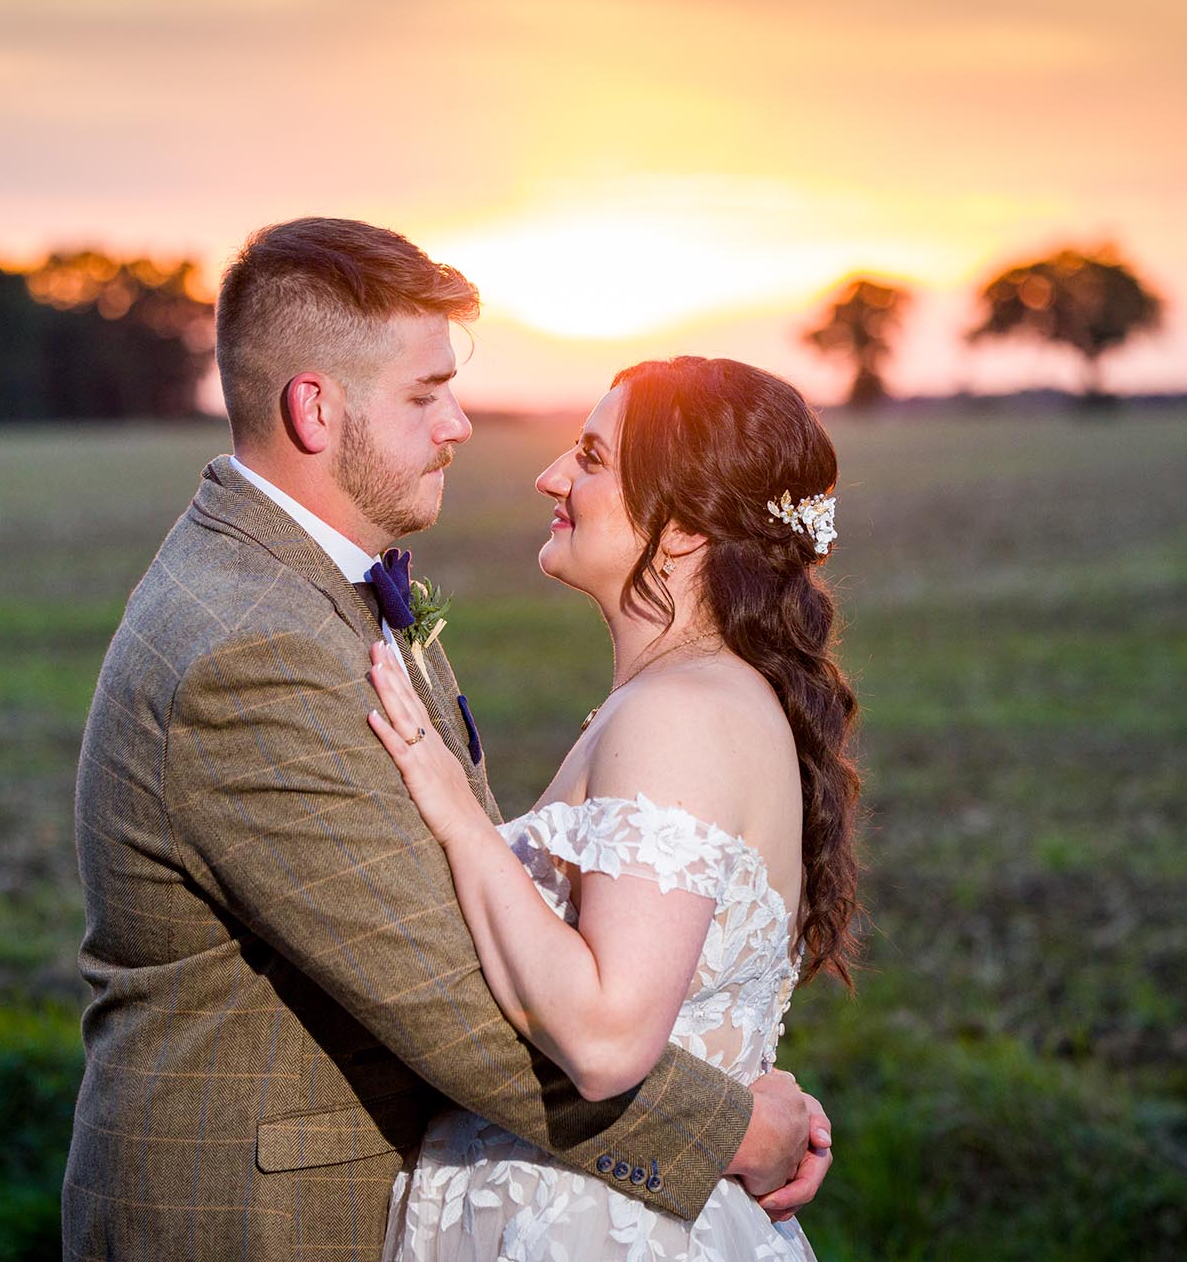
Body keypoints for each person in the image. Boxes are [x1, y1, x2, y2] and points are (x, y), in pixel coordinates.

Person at [61, 218, 833, 1260]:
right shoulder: (251, 647)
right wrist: (730, 1124)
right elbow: (453, 1000)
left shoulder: (322, 598)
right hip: (262, 1226)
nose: (466, 426)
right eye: (426, 394)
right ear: (315, 407)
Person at [366, 355, 861, 1260]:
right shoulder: (694, 698)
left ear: (682, 528)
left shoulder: (681, 714)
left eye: (591, 457)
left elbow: (604, 1038)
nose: (552, 476)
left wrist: (456, 816)